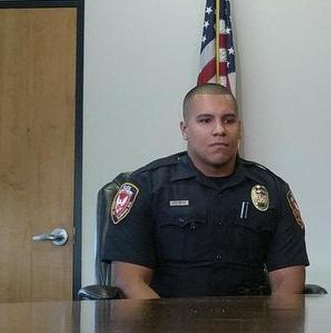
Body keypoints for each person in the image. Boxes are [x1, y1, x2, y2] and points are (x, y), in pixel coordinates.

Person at [102, 83, 308, 298]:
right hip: (168, 316)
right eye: (205, 120)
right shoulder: (147, 187)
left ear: (240, 128)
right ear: (184, 129)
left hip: (252, 317)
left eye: (229, 120)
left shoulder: (272, 189)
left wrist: (275, 320)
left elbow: (289, 282)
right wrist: (162, 320)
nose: (219, 130)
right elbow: (129, 281)